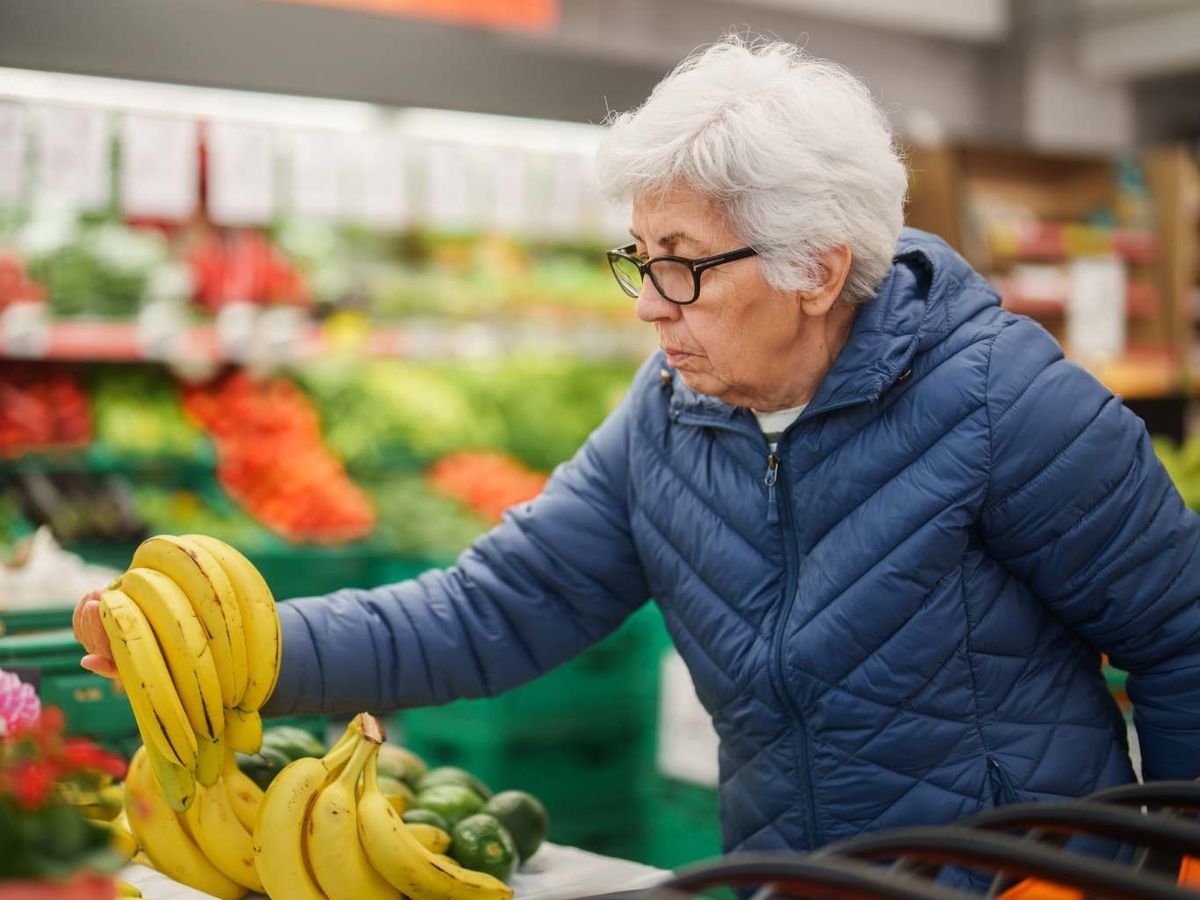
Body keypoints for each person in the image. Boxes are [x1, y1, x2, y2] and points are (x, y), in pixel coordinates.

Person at [74, 36, 1200, 867]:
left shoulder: (1007, 402)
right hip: (796, 881)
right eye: (639, 257)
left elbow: (1183, 633)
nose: (652, 306)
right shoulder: (670, 413)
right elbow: (494, 609)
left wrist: (1173, 869)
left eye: (684, 262)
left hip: (1029, 885)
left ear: (816, 268)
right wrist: (239, 653)